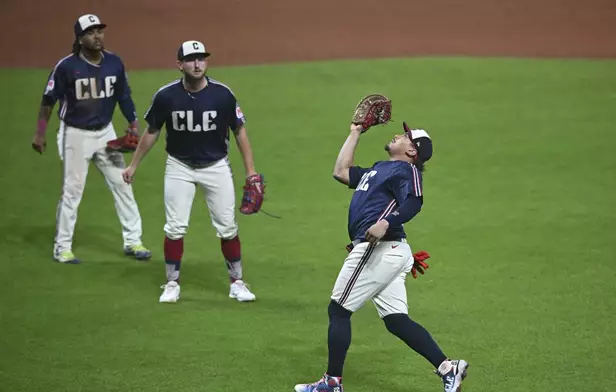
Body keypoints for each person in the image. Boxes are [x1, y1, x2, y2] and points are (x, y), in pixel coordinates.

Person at [294, 121, 469, 392]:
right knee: (396, 320)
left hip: (380, 247)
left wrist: (386, 222)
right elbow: (341, 172)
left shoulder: (407, 170)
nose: (398, 135)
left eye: (405, 136)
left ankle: (331, 383)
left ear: (412, 151)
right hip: (390, 250)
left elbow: (414, 200)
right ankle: (449, 368)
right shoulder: (379, 168)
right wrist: (355, 132)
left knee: (338, 309)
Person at [122, 40, 261, 304]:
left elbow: (239, 130)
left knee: (228, 227)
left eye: (201, 59)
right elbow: (152, 131)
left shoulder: (222, 94)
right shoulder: (166, 96)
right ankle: (172, 283)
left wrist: (251, 171)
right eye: (191, 59)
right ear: (180, 64)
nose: (197, 64)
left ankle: (237, 282)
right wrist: (133, 165)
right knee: (175, 228)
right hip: (179, 167)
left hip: (216, 166)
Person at [31, 14, 151, 264]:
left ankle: (133, 241)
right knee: (73, 190)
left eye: (100, 31)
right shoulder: (66, 67)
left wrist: (133, 122)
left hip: (105, 132)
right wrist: (40, 132)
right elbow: (47, 102)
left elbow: (124, 95)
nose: (97, 36)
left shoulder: (114, 63)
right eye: (91, 32)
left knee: (122, 183)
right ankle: (62, 247)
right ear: (80, 38)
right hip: (74, 135)